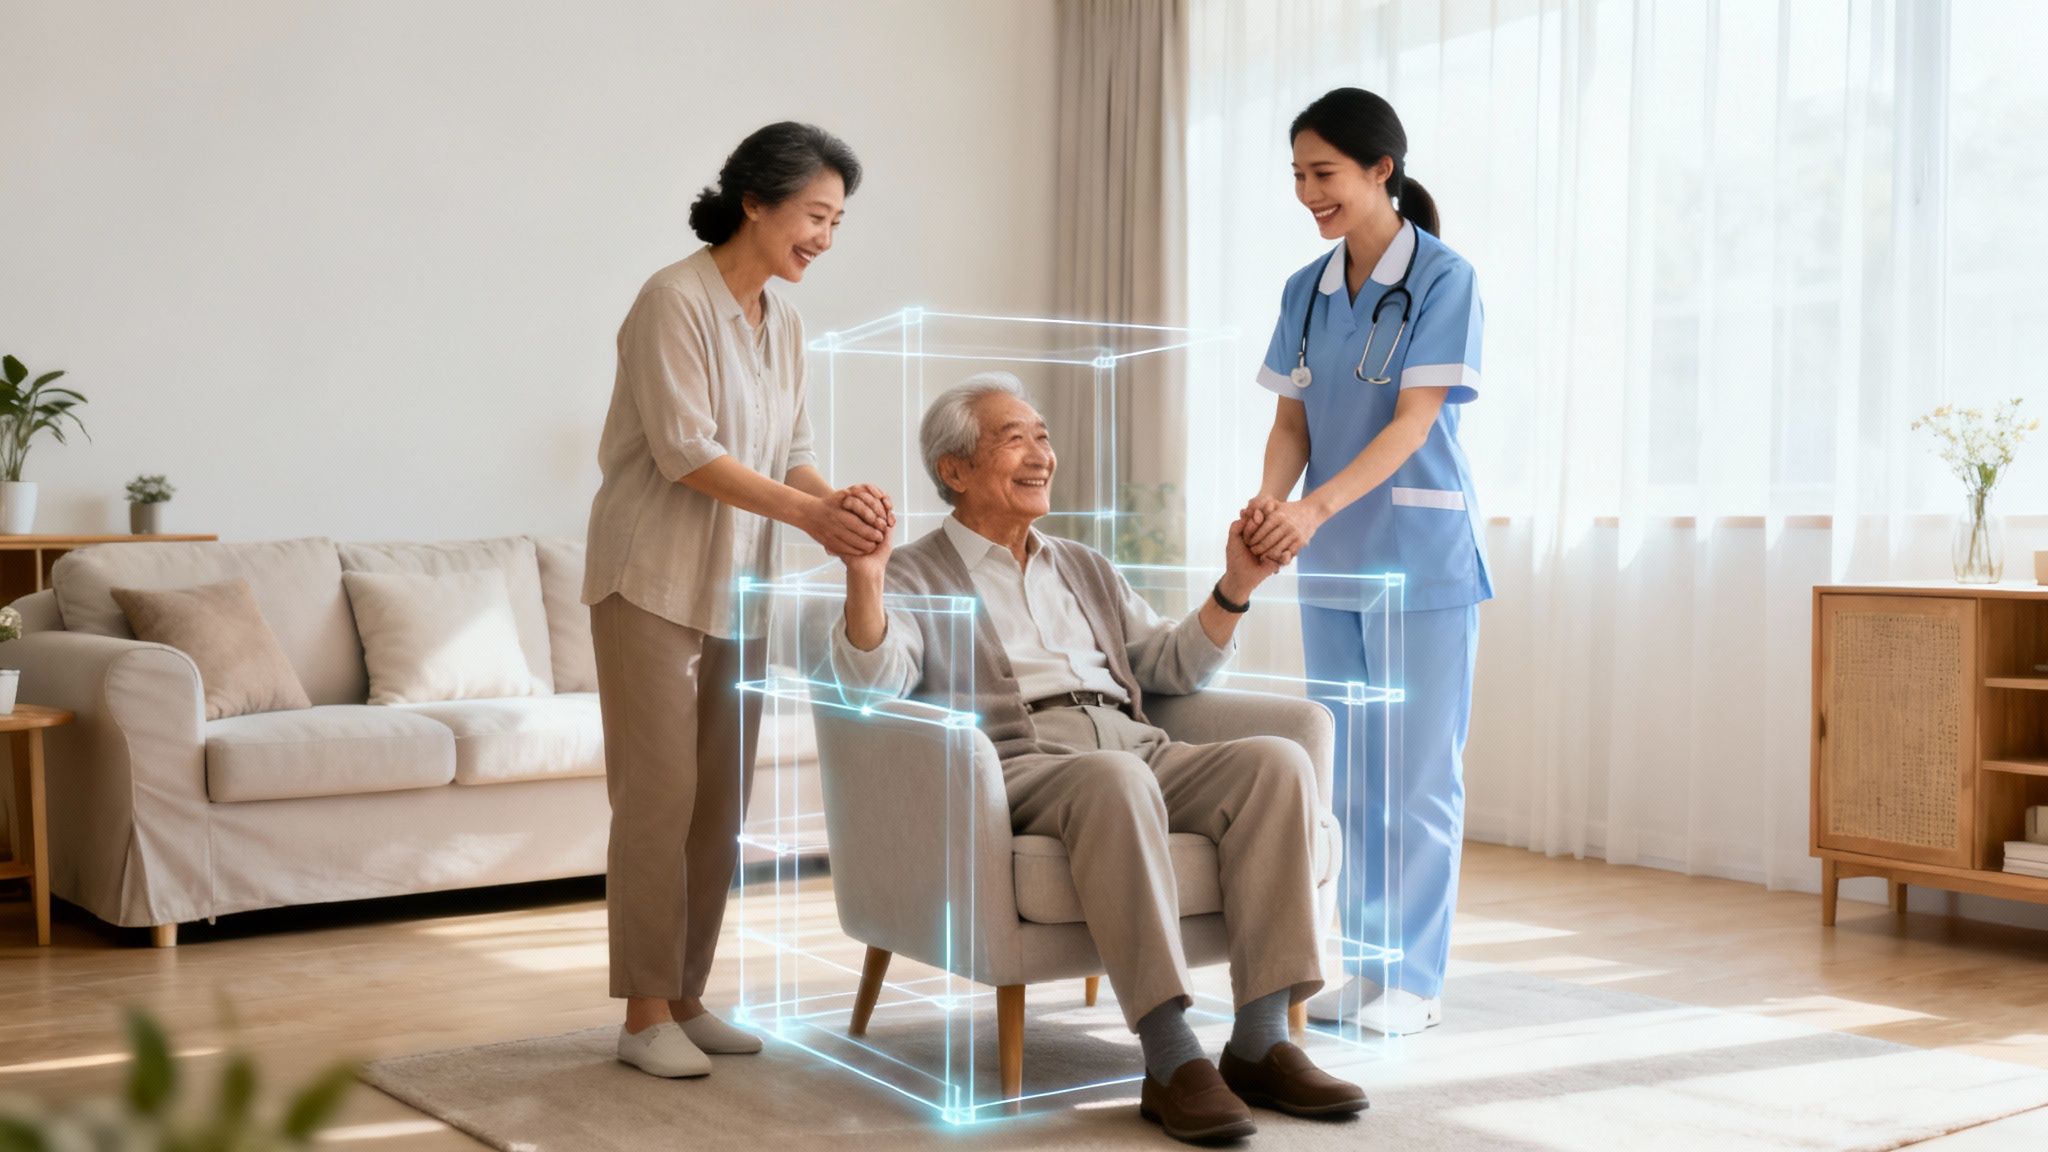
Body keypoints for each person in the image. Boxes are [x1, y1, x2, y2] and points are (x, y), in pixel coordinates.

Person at [832, 373, 1367, 1143]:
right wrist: (866, 577)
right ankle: (1170, 1056)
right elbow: (870, 684)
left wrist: (1237, 586)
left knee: (1278, 764)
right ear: (954, 470)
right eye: (1015, 438)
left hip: (1137, 742)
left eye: (1043, 437)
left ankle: (1261, 1042)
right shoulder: (914, 574)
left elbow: (1169, 667)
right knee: (1115, 782)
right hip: (1025, 761)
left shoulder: (1082, 565)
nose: (1042, 455)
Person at [583, 121, 895, 1079]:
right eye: (814, 215)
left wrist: (836, 500)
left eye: (837, 222)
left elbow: (789, 445)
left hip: (739, 586)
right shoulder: (670, 303)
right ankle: (642, 1015)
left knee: (720, 804)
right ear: (754, 202)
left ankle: (686, 996)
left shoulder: (784, 322)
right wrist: (810, 516)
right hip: (651, 582)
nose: (825, 239)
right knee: (659, 800)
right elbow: (686, 452)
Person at [1240, 87, 1490, 1037]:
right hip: (1330, 557)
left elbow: (1414, 420)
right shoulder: (1305, 289)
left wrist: (1312, 506)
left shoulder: (1444, 278)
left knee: (1419, 774)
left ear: (1381, 169)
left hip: (1420, 557)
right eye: (1299, 176)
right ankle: (1367, 969)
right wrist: (1273, 501)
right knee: (1348, 779)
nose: (1309, 192)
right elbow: (1291, 420)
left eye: (1325, 173)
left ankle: (1416, 983)